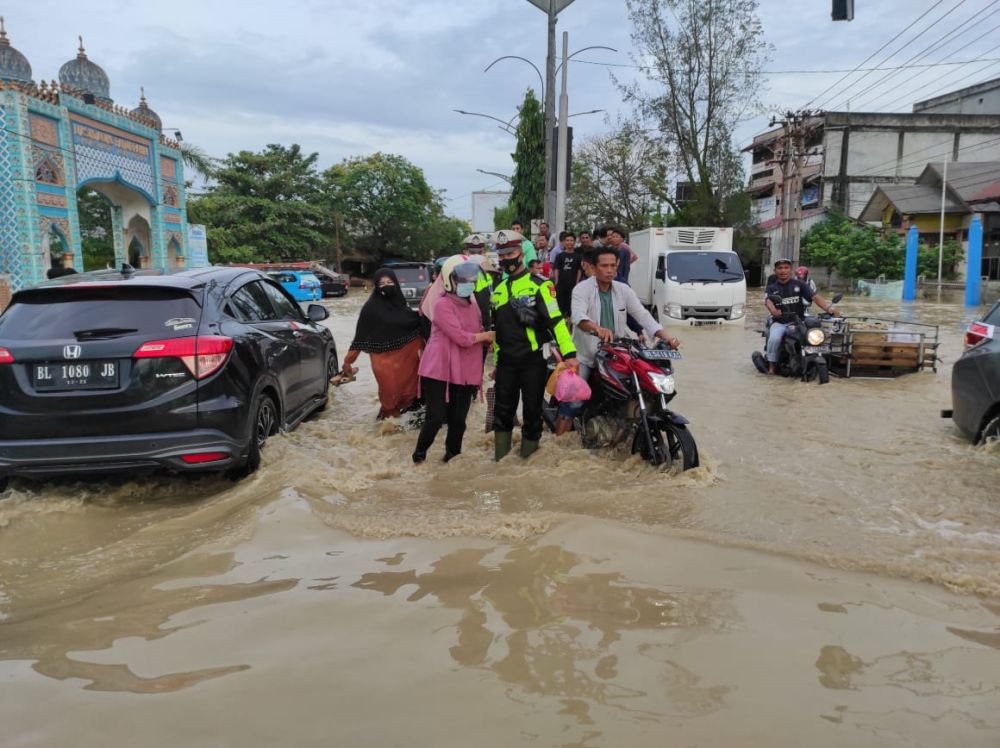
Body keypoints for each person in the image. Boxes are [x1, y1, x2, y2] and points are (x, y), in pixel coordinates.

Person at [559, 246, 679, 435]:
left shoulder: (623, 290)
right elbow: (578, 317)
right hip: (586, 355)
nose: (609, 270)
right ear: (593, 267)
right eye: (604, 266)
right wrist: (597, 329)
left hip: (616, 353)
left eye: (612, 266)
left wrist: (667, 337)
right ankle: (560, 445)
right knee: (574, 401)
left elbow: (644, 316)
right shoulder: (581, 289)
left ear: (618, 266)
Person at [490, 229, 578, 460]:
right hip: (506, 364)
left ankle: (528, 461)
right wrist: (497, 364)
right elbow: (498, 333)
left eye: (510, 252)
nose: (506, 258)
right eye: (501, 254)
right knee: (502, 413)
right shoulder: (497, 290)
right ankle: (501, 462)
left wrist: (569, 353)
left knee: (532, 413)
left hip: (532, 362)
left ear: (521, 253)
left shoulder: (540, 285)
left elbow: (556, 320)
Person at [413, 259, 495, 464]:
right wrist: (485, 337)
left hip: (465, 369)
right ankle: (419, 457)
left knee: (459, 420)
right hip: (439, 368)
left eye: (471, 279)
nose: (469, 283)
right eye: (463, 280)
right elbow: (460, 337)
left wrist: (487, 338)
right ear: (450, 281)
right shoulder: (442, 305)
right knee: (436, 417)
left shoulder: (473, 303)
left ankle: (452, 458)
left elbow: (477, 330)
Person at [340, 268, 426, 418]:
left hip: (406, 363)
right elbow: (359, 338)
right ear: (376, 286)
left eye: (390, 282)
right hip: (383, 363)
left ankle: (396, 433)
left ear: (396, 284)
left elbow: (416, 326)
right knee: (389, 396)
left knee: (408, 396)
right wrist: (348, 361)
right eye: (382, 283)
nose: (386, 286)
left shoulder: (402, 306)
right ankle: (385, 429)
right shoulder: (370, 309)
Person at [763, 258, 839, 375]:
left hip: (799, 321)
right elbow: (768, 301)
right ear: (775, 270)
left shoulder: (800, 284)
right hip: (780, 322)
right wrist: (774, 311)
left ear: (791, 270)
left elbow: (815, 297)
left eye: (786, 268)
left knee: (814, 335)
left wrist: (829, 309)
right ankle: (771, 366)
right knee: (774, 339)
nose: (783, 271)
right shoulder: (772, 288)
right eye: (780, 268)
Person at [552, 230, 582, 321]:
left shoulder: (578, 256)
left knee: (571, 307)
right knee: (560, 306)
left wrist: (577, 283)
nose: (569, 242)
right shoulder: (560, 256)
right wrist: (556, 282)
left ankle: (570, 326)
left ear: (574, 242)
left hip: (572, 285)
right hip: (561, 285)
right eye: (567, 240)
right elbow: (556, 268)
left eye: (571, 240)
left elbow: (579, 270)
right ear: (564, 242)